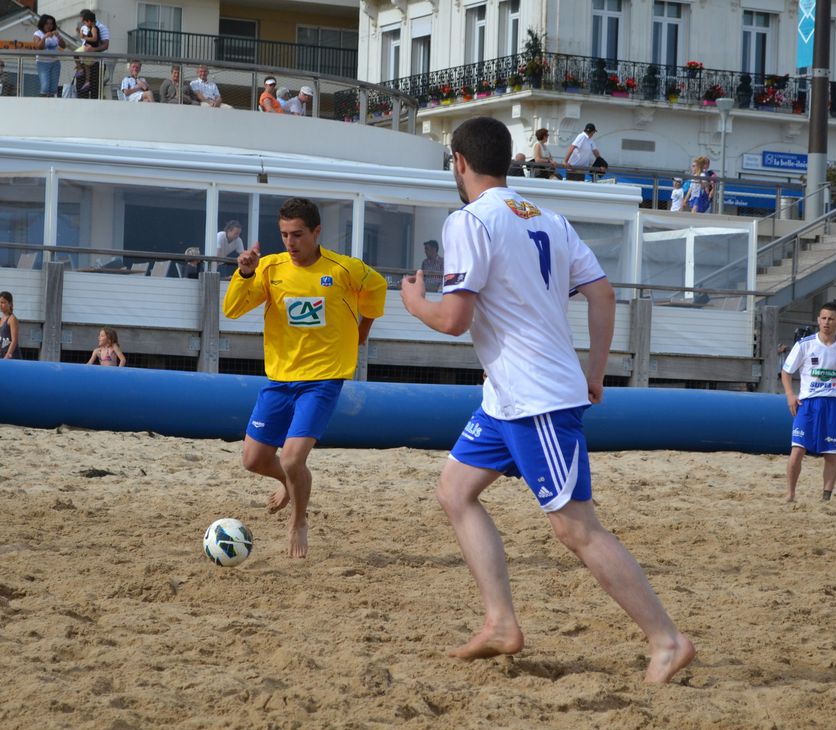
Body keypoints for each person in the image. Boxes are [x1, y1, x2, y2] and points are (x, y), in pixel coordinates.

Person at [399, 117, 694, 683]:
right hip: (507, 396)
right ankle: (500, 623)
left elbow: (455, 320)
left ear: (459, 162)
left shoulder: (468, 221)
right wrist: (596, 371)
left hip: (535, 397)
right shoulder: (548, 218)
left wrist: (414, 301)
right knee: (455, 491)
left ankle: (667, 639)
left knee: (576, 527)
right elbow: (603, 293)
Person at [222, 197, 387, 558]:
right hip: (280, 379)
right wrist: (246, 273)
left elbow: (377, 288)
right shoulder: (270, 268)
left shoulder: (344, 269)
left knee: (295, 459)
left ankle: (298, 521)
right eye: (283, 235)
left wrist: (364, 328)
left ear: (316, 232)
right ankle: (288, 481)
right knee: (252, 460)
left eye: (297, 234)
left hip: (323, 379)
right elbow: (232, 310)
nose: (290, 243)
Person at [781, 303, 836, 503]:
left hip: (831, 405)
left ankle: (826, 497)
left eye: (831, 319)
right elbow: (786, 372)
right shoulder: (805, 344)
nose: (827, 322)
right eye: (823, 318)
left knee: (830, 454)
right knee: (797, 450)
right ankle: (790, 494)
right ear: (818, 320)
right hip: (807, 404)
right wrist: (790, 395)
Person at [77, 9, 109, 100]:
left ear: (88, 20)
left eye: (83, 20)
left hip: (97, 62)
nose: (83, 23)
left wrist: (93, 49)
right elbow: (84, 42)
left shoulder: (101, 28)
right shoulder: (84, 28)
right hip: (85, 59)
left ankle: (95, 111)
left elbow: (105, 45)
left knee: (95, 90)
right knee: (81, 90)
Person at [32, 14, 66, 98]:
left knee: (53, 88)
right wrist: (44, 38)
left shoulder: (54, 34)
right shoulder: (37, 33)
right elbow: (39, 47)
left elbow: (63, 46)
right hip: (42, 62)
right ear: (42, 24)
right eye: (47, 23)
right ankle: (42, 105)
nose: (49, 26)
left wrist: (58, 36)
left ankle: (50, 106)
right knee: (45, 87)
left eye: (51, 24)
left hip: (55, 62)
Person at [0, 291, 21, 360]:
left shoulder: (12, 319)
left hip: (12, 358)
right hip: (3, 356)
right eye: (0, 302)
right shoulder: (2, 319)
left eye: (3, 302)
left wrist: (7, 356)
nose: (0, 305)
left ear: (10, 304)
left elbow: (14, 340)